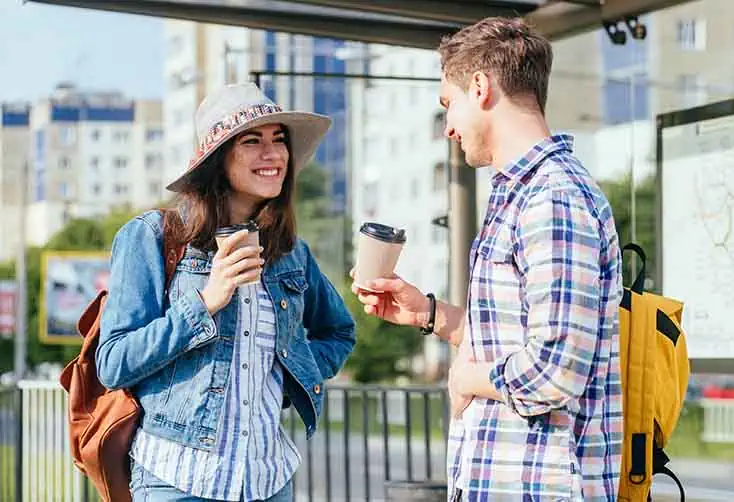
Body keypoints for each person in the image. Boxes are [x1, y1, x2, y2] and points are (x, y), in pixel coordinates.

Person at [352, 16, 623, 502]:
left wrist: (467, 378)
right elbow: (515, 339)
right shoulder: (519, 194)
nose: (448, 127)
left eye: (447, 105)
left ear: (479, 87)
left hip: (540, 486)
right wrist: (432, 316)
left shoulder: (552, 199)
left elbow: (556, 371)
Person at [97, 83, 356, 502]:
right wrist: (205, 303)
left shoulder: (291, 254)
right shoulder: (152, 237)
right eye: (252, 141)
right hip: (177, 479)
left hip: (269, 482)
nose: (272, 154)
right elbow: (113, 362)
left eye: (279, 141)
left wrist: (291, 377)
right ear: (219, 160)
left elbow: (339, 332)